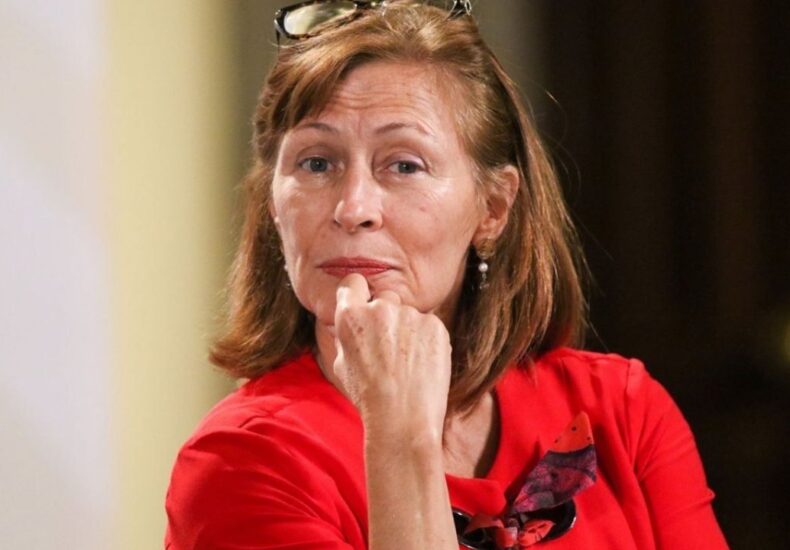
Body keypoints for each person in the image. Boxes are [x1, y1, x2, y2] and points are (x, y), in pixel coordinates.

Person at [164, 2, 728, 549]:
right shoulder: (240, 462)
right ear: (273, 204)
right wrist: (402, 437)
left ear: (493, 209)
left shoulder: (623, 411)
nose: (353, 207)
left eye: (404, 165)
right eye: (316, 162)